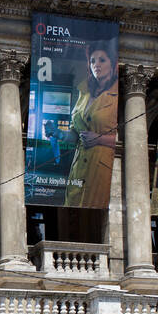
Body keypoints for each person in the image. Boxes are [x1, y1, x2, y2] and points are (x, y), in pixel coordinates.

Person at [63, 42, 118, 209]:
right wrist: (58, 134)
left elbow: (130, 141)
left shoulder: (116, 96)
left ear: (113, 64)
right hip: (79, 167)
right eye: (93, 61)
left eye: (102, 60)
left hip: (101, 168)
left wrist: (99, 139)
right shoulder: (84, 91)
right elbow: (75, 133)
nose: (96, 65)